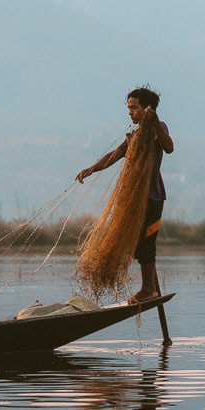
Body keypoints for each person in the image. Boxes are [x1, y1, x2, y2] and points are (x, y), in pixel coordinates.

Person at [76, 87, 174, 303]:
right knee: (136, 245)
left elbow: (169, 147)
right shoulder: (135, 136)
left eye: (134, 108)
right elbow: (115, 155)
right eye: (129, 108)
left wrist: (155, 121)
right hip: (134, 200)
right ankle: (149, 288)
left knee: (147, 243)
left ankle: (148, 290)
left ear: (147, 108)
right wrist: (91, 169)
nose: (130, 112)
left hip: (153, 198)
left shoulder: (158, 129)